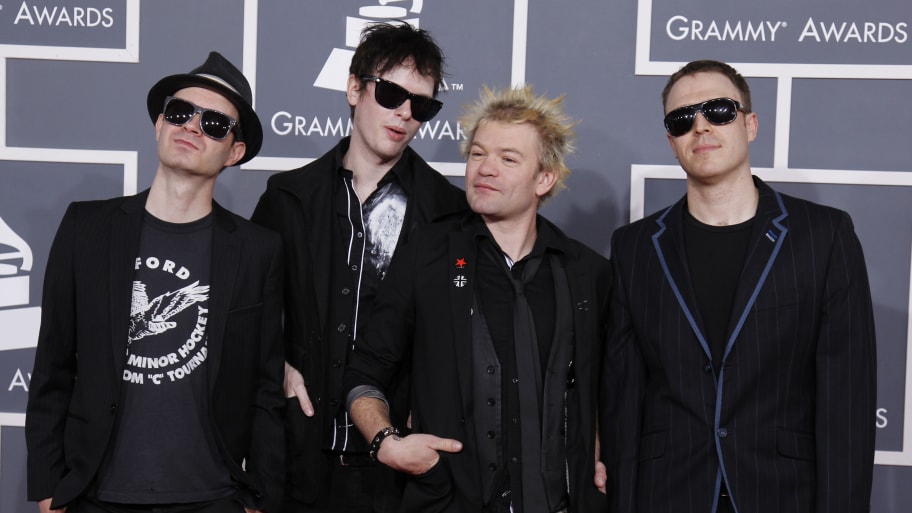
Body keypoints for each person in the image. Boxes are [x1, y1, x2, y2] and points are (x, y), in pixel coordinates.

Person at [601, 59, 877, 513]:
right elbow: (624, 401)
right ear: (671, 142)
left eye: (720, 111)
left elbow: (846, 402)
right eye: (682, 119)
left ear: (750, 124)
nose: (702, 126)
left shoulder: (824, 236)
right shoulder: (635, 247)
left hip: (785, 493)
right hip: (669, 494)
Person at [25, 52, 285, 513]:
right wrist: (48, 486)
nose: (191, 127)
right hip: (95, 495)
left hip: (212, 497)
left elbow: (266, 389)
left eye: (215, 124)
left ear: (235, 151)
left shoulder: (257, 250)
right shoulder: (87, 227)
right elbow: (52, 367)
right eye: (181, 113)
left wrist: (258, 497)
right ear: (160, 123)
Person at [344, 84, 611, 513]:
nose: (485, 169)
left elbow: (604, 389)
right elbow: (364, 373)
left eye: (508, 159)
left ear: (544, 178)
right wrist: (386, 442)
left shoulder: (586, 273)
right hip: (446, 501)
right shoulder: (427, 255)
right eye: (478, 154)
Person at [251, 22, 467, 513]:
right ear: (354, 87)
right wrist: (274, 365)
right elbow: (244, 314)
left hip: (401, 469)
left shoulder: (450, 213)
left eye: (423, 106)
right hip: (297, 461)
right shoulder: (288, 199)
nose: (405, 115)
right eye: (391, 94)